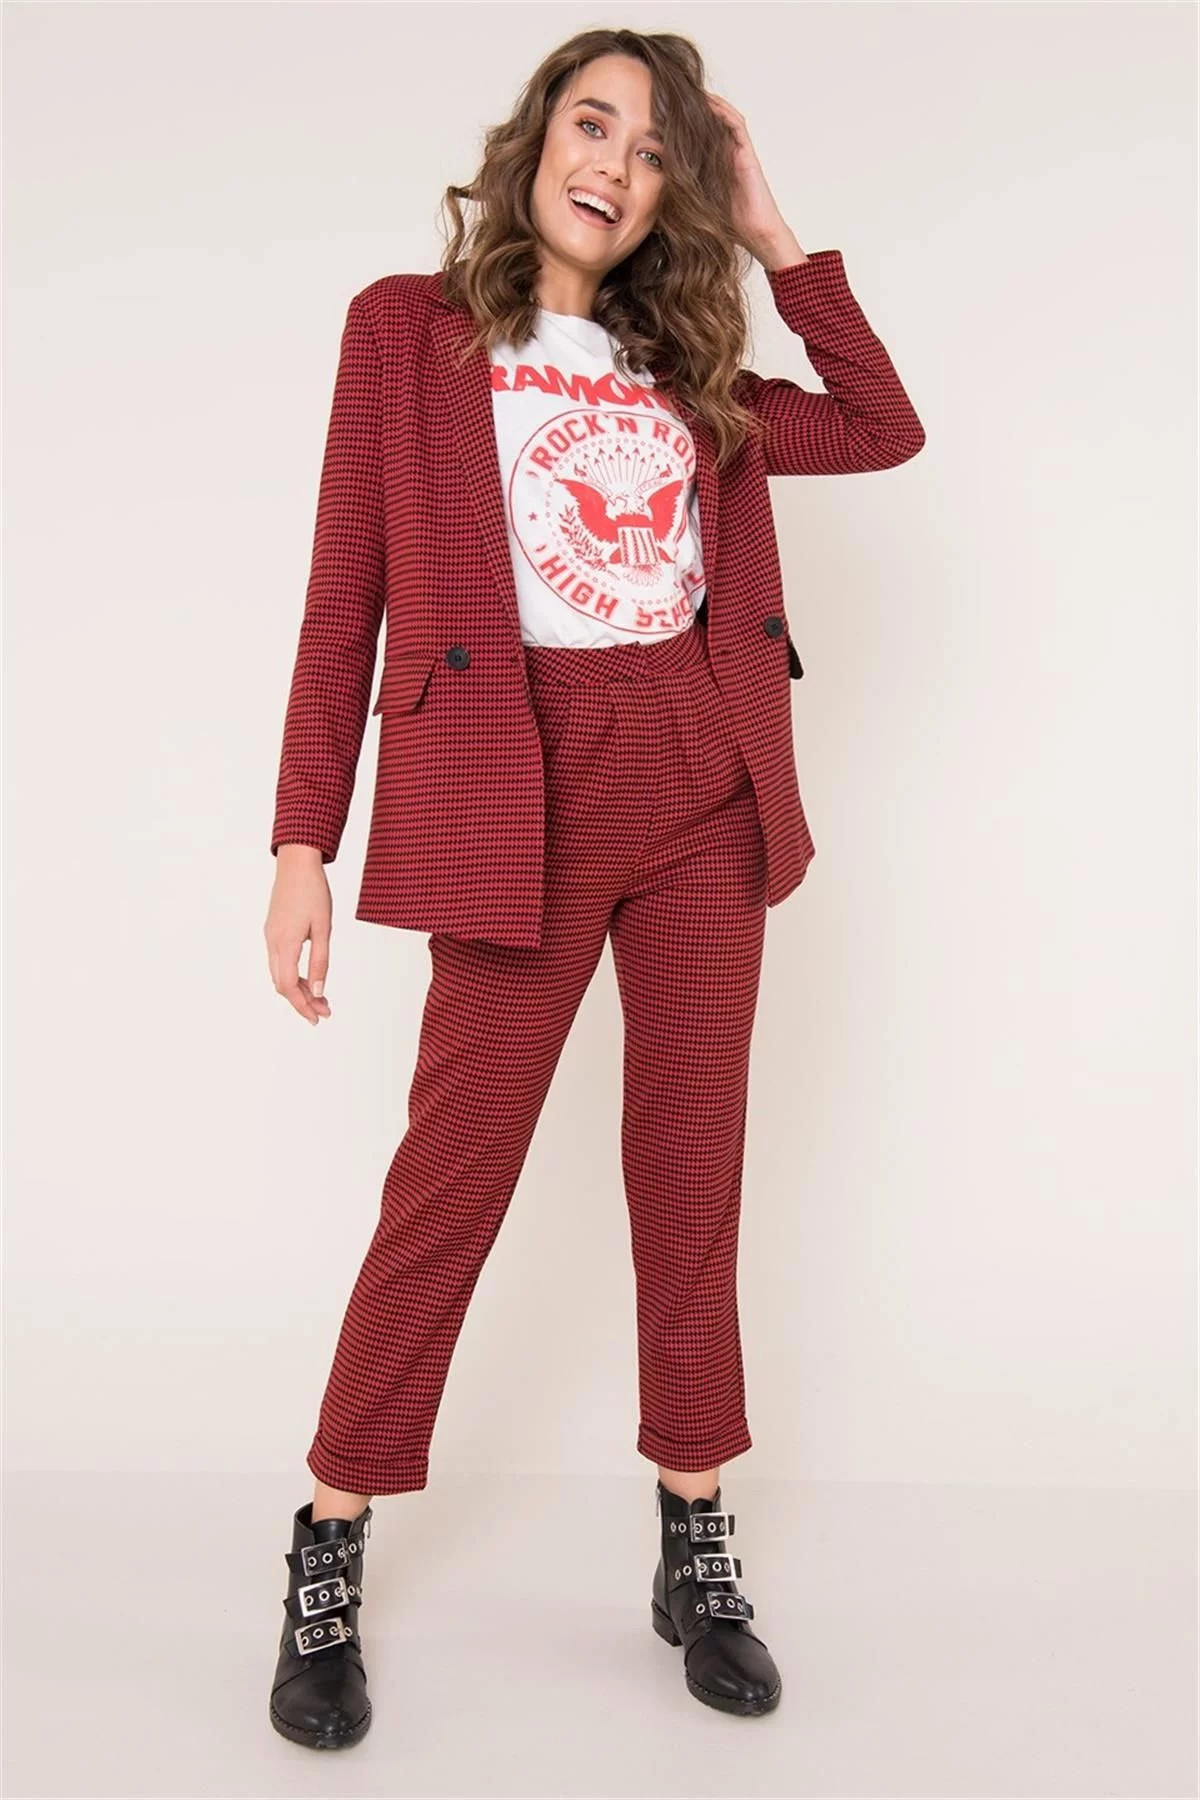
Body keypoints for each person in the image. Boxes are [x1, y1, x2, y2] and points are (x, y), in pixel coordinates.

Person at [263, 27, 925, 1750]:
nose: (614, 164)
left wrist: (774, 233)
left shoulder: (690, 369)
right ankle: (331, 1536)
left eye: (654, 151)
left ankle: (693, 1538)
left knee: (691, 1170)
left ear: (672, 196)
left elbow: (884, 425)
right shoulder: (405, 334)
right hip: (516, 795)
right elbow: (344, 602)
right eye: (593, 122)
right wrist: (302, 839)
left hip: (701, 784)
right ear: (535, 138)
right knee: (454, 1179)